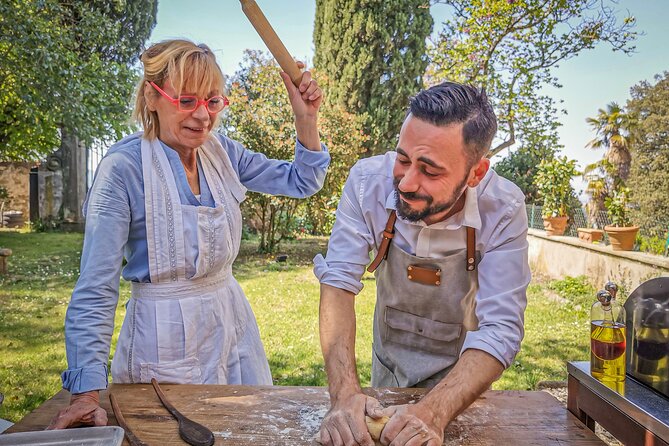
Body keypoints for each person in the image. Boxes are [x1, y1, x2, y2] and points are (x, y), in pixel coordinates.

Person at [48, 39, 330, 429]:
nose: (203, 116)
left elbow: (303, 180)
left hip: (230, 323)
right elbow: (96, 287)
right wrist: (86, 393)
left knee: (246, 432)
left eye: (213, 102)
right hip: (163, 342)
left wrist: (306, 118)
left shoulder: (221, 152)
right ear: (152, 96)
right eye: (186, 101)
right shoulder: (123, 169)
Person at [314, 81, 530, 446]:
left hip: (462, 379)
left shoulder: (504, 209)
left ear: (475, 173)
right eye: (403, 160)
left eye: (430, 171)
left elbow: (500, 328)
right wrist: (344, 396)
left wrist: (433, 413)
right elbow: (337, 283)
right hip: (387, 363)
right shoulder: (367, 182)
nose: (407, 183)